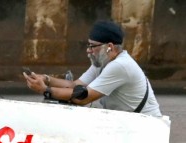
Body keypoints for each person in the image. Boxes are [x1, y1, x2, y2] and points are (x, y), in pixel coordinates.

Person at [23, 19, 161, 117]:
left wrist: (45, 90)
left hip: (146, 124)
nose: (88, 51)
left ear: (109, 47)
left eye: (92, 46)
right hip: (127, 121)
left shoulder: (120, 66)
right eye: (88, 45)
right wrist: (45, 79)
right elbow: (75, 85)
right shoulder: (102, 62)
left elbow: (83, 97)